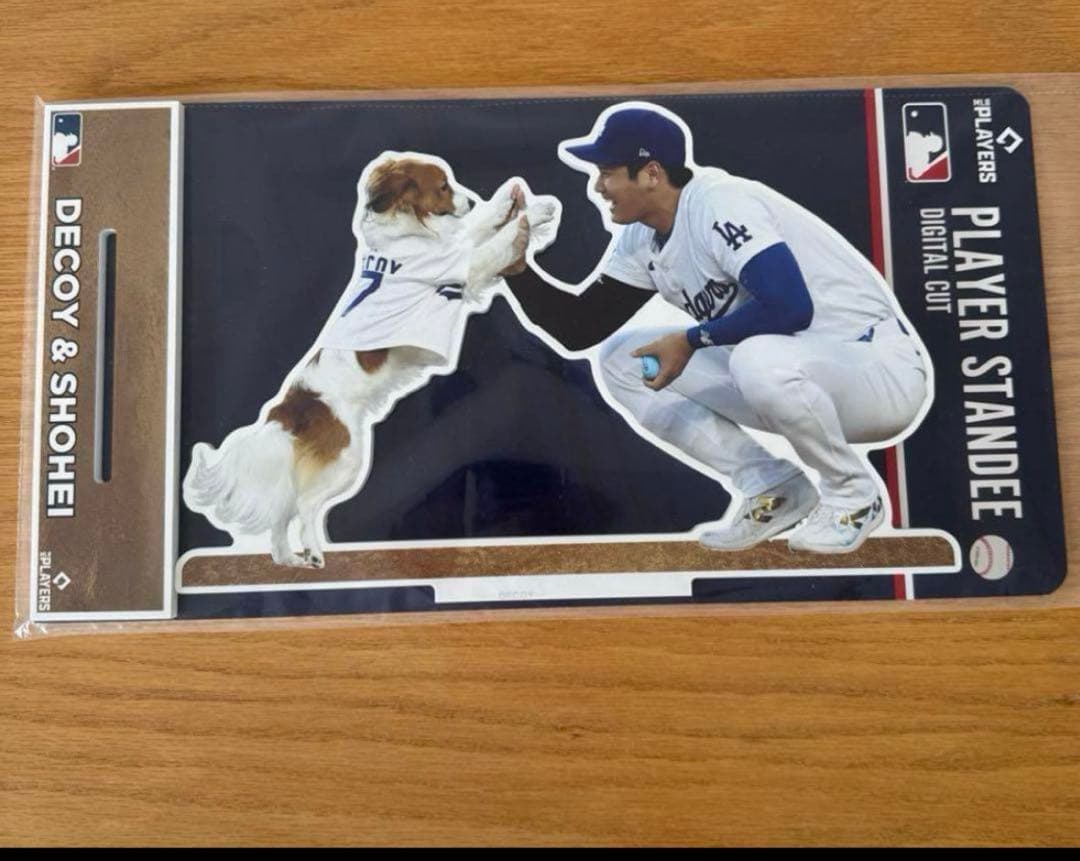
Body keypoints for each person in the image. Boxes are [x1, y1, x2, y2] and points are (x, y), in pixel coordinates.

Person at [502, 103, 930, 554]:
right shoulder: (640, 239)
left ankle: (853, 496)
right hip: (794, 373)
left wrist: (691, 340)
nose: (598, 186)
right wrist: (516, 269)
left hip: (875, 371)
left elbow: (789, 306)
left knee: (755, 357)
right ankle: (772, 486)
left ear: (651, 173)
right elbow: (578, 328)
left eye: (607, 172)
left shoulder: (718, 201)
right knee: (623, 361)